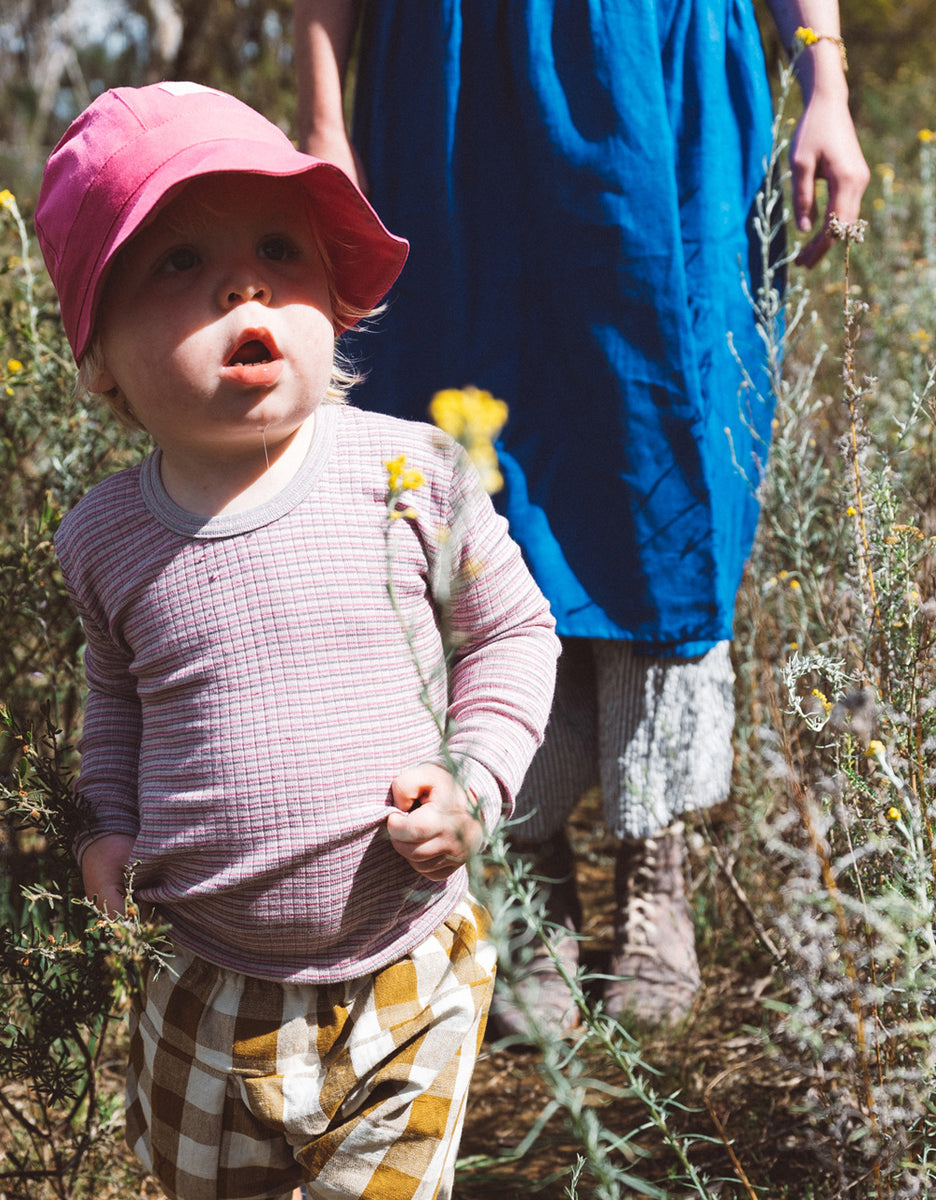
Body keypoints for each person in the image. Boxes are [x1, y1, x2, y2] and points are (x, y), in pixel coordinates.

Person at [294, 0, 869, 1031]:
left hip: (668, 80)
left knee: (671, 455)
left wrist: (823, 73)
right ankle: (531, 863)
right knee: (480, 472)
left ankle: (658, 863)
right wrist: (325, 124)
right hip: (454, 87)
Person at [34, 82, 560, 1200]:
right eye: (176, 263)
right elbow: (118, 702)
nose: (244, 281)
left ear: (336, 296)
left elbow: (511, 631)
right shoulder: (107, 536)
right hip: (199, 984)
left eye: (281, 244)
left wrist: (476, 780)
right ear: (100, 359)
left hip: (405, 967)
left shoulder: (409, 471)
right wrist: (106, 829)